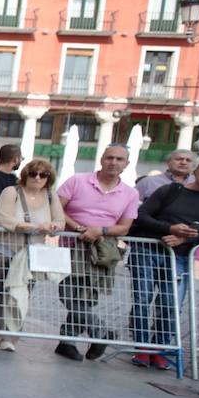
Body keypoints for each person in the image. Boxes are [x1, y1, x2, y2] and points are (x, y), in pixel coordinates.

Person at [129, 154, 199, 369]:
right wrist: (169, 229)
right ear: (195, 170)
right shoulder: (170, 191)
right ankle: (142, 347)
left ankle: (160, 348)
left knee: (171, 303)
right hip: (147, 250)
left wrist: (189, 237)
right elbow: (141, 215)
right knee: (143, 297)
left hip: (181, 256)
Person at [55, 144, 139, 362]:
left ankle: (67, 342)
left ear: (126, 164)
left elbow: (125, 227)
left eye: (120, 159)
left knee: (87, 295)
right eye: (110, 157)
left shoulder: (130, 193)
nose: (114, 162)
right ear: (101, 159)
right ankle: (101, 332)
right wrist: (79, 228)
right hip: (71, 244)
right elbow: (56, 208)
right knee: (66, 289)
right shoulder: (77, 180)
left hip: (102, 250)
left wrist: (99, 231)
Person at [0, 158, 67, 351]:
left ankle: (11, 336)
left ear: (48, 178)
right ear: (25, 175)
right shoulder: (12, 192)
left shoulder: (50, 196)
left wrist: (54, 227)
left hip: (30, 254)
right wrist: (35, 227)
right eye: (33, 173)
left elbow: (60, 220)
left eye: (42, 175)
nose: (37, 178)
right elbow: (4, 217)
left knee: (22, 295)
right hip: (2, 249)